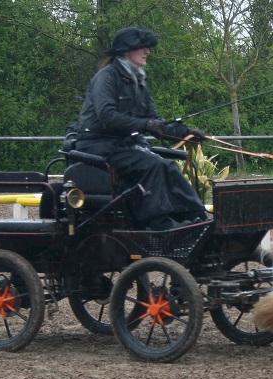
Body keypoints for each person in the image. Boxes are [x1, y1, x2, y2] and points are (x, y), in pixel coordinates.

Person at [74, 27, 208, 231]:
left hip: (125, 147)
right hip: (97, 146)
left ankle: (197, 217)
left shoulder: (140, 82)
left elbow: (156, 123)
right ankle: (159, 223)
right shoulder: (106, 77)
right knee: (154, 164)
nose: (147, 52)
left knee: (169, 166)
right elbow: (107, 116)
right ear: (126, 51)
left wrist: (187, 133)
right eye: (142, 48)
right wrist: (144, 125)